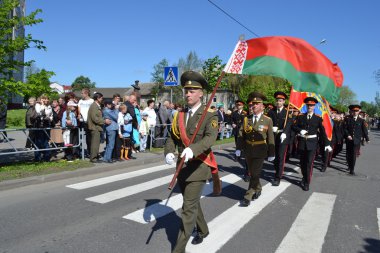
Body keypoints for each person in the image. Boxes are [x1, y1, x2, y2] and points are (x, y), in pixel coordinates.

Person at [164, 71, 219, 252]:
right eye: (186, 90)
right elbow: (172, 137)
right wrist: (169, 152)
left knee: (187, 208)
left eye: (192, 90)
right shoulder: (179, 114)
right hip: (183, 166)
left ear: (201, 93)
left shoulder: (210, 114)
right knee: (192, 202)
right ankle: (203, 230)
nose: (188, 93)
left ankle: (178, 249)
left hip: (199, 166)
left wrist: (192, 149)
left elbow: (210, 139)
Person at [236, 92, 275, 206]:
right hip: (248, 150)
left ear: (262, 106)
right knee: (253, 172)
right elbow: (241, 135)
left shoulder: (267, 120)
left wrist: (272, 152)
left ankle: (248, 195)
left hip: (260, 150)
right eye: (253, 104)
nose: (253, 106)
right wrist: (238, 148)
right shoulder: (246, 119)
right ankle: (258, 188)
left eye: (256, 104)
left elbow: (270, 138)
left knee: (254, 173)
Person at [292, 97, 332, 191]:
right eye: (308, 105)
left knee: (309, 163)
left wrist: (327, 143)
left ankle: (307, 182)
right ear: (306, 106)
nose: (310, 106)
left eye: (312, 105)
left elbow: (322, 132)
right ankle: (304, 177)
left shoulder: (318, 118)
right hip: (302, 142)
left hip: (312, 143)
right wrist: (300, 130)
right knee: (302, 163)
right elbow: (294, 126)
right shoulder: (301, 116)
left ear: (314, 106)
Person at [267, 91, 291, 186]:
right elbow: (268, 122)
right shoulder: (271, 112)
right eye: (277, 100)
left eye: (280, 101)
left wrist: (284, 132)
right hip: (273, 136)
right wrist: (270, 128)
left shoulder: (287, 112)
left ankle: (278, 177)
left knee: (280, 157)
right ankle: (277, 171)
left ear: (284, 102)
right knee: (274, 157)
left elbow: (289, 124)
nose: (278, 102)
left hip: (282, 137)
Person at [343, 105, 369, 175]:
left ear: (359, 112)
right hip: (349, 140)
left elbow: (364, 130)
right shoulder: (348, 119)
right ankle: (349, 165)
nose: (355, 112)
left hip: (356, 140)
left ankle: (352, 169)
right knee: (348, 154)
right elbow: (344, 129)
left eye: (356, 111)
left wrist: (367, 139)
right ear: (351, 111)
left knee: (353, 154)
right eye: (354, 111)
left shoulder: (361, 120)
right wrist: (347, 135)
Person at [88, 92, 110, 163]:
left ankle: (95, 156)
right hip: (95, 127)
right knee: (95, 143)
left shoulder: (97, 105)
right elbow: (95, 118)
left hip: (97, 127)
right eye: (101, 98)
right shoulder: (94, 106)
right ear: (97, 98)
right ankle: (93, 158)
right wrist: (104, 121)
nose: (102, 99)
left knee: (96, 143)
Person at [77, 88, 94, 157]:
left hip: (89, 121)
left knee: (89, 137)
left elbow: (93, 110)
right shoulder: (80, 101)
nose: (81, 94)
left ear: (86, 94)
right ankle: (82, 152)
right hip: (82, 121)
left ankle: (90, 152)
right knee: (81, 137)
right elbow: (79, 108)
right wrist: (79, 114)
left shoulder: (91, 101)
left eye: (82, 93)